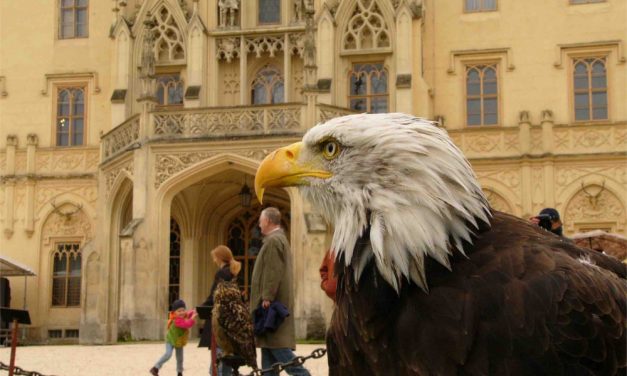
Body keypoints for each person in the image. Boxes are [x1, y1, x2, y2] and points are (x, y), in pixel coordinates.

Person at [250, 207, 311, 376]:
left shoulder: (273, 241)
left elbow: (272, 270)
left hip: (271, 308)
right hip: (272, 307)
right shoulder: (278, 239)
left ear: (268, 221)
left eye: (261, 221)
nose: (259, 224)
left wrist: (267, 296)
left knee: (281, 353)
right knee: (269, 356)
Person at [198, 246, 242, 376]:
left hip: (220, 320)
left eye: (214, 257)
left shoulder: (222, 273)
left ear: (219, 257)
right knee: (227, 357)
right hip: (230, 320)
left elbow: (214, 296)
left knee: (218, 362)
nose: (213, 260)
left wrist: (200, 309)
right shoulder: (233, 272)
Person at [150, 299, 197, 376]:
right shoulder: (177, 320)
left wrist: (194, 311)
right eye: (179, 311)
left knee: (180, 358)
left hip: (179, 340)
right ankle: (155, 368)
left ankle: (179, 372)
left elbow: (188, 314)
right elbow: (186, 324)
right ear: (174, 312)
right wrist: (192, 318)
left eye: (183, 310)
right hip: (171, 340)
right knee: (168, 354)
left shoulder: (183, 315)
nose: (181, 312)